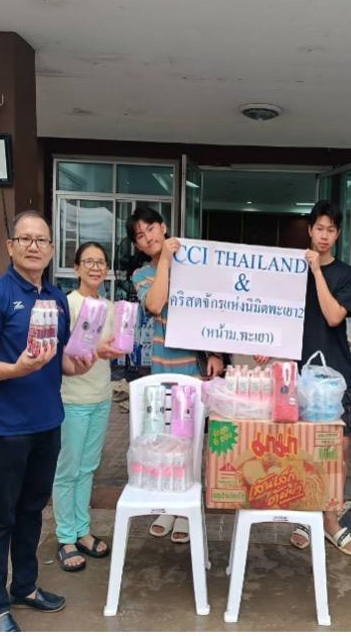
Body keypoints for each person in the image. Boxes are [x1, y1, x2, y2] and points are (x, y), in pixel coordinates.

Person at [0, 211, 95, 632]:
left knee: (32, 510)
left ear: (52, 249)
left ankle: (24, 586)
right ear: (11, 246)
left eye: (41, 240)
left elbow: (59, 363)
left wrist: (80, 364)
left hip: (47, 421)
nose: (34, 246)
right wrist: (14, 369)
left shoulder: (56, 299)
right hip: (7, 426)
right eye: (25, 239)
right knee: (0, 516)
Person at [127, 206, 224, 543]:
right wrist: (165, 261)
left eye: (151, 228)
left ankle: (186, 509)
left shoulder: (194, 266)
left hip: (193, 370)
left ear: (164, 227)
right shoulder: (141, 274)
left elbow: (211, 310)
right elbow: (155, 305)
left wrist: (215, 353)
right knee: (164, 441)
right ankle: (168, 505)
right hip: (161, 370)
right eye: (140, 235)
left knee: (192, 442)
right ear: (138, 245)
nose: (148, 237)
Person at [271, 201, 351, 556]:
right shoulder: (289, 270)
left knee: (338, 450)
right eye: (319, 228)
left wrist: (316, 271)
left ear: (337, 234)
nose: (324, 235)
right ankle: (304, 515)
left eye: (331, 230)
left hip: (335, 375)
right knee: (303, 448)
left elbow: (334, 316)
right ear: (309, 230)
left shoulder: (346, 275)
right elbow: (275, 316)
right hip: (297, 375)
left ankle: (330, 519)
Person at [53, 241, 126, 572]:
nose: (96, 267)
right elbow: (60, 353)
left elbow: (109, 349)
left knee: (88, 468)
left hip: (101, 396)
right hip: (72, 398)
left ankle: (82, 530)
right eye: (89, 262)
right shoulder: (66, 304)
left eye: (101, 262)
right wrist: (95, 349)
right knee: (68, 469)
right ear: (77, 268)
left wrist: (116, 348)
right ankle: (65, 537)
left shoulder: (110, 308)